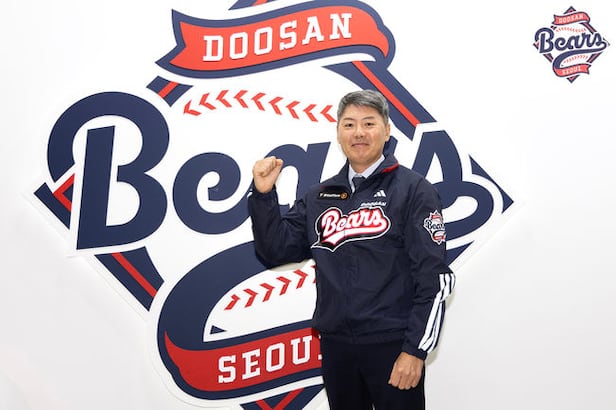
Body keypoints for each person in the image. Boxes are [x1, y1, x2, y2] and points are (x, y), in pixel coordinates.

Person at [248, 89, 455, 409]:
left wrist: (415, 350)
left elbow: (435, 278)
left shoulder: (414, 190)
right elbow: (275, 251)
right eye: (349, 124)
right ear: (338, 133)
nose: (359, 132)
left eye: (369, 123)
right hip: (337, 348)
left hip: (393, 346)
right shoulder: (319, 196)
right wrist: (263, 196)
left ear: (387, 131)